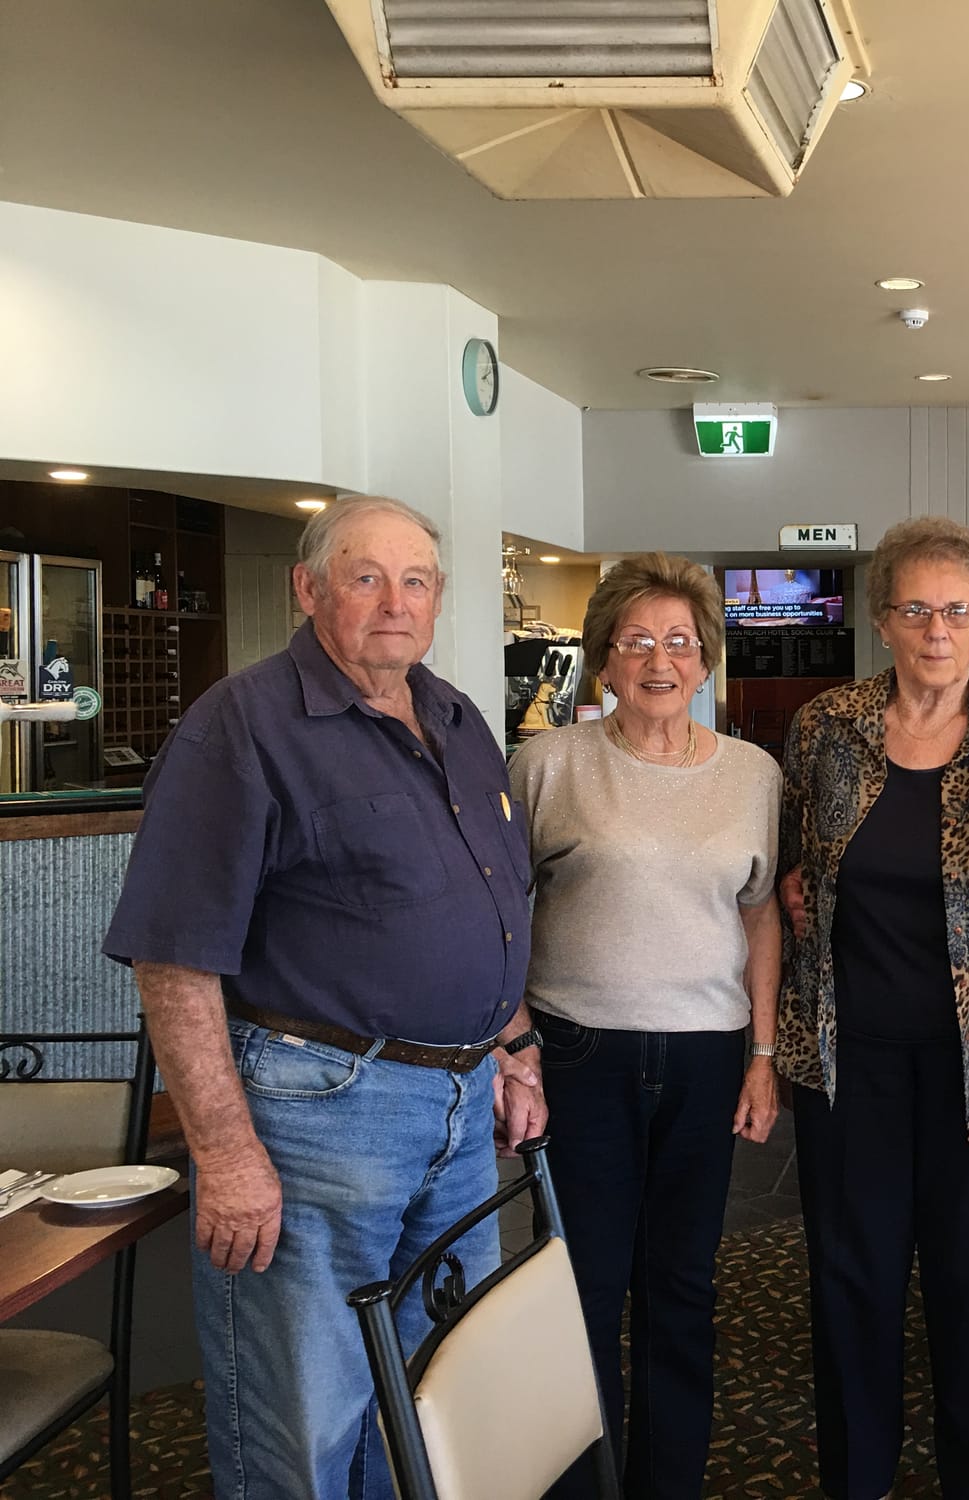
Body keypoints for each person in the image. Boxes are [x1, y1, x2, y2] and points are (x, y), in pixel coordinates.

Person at [101, 496, 545, 1500]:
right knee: (304, 1415)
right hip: (317, 1117)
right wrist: (225, 1155)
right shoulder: (241, 727)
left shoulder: (455, 715)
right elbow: (172, 960)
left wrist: (510, 1045)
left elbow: (490, 899)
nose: (395, 603)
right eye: (366, 578)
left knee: (437, 1391)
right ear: (307, 589)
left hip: (460, 1110)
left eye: (416, 581)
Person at [778, 515, 969, 1500]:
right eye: (915, 609)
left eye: (956, 610)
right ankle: (856, 1481)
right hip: (847, 1065)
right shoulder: (826, 728)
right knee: (850, 1285)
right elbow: (793, 873)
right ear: (882, 620)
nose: (936, 630)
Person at [508, 554, 781, 1498]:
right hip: (578, 1053)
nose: (660, 660)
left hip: (708, 1056)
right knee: (578, 1287)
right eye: (636, 642)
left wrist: (762, 1054)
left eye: (680, 642)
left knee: (682, 1286)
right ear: (603, 661)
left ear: (705, 660)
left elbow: (760, 915)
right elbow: (501, 913)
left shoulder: (753, 774)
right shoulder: (547, 764)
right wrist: (513, 1045)